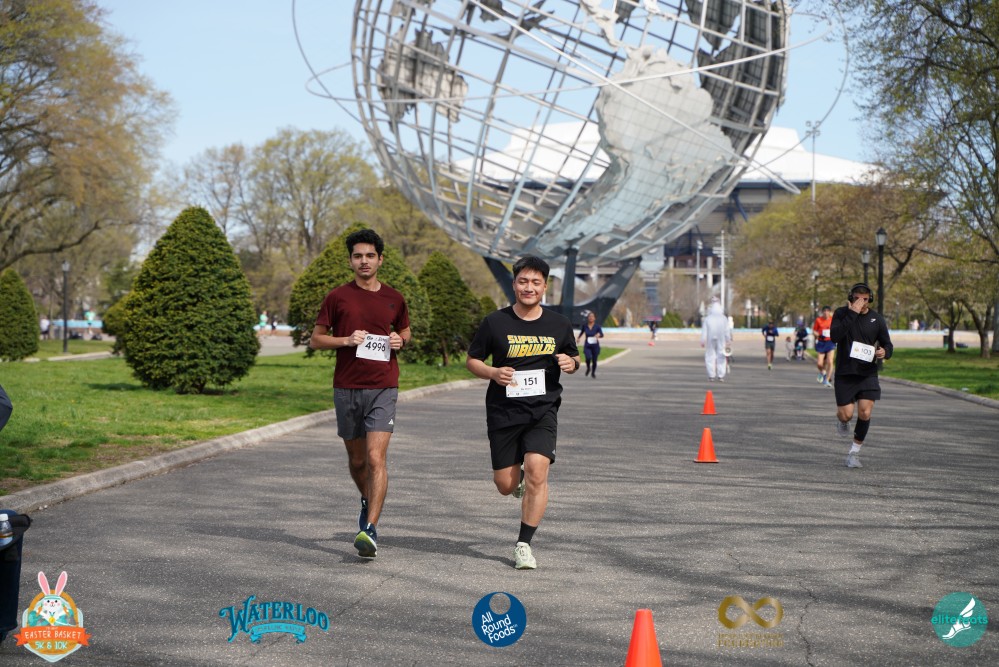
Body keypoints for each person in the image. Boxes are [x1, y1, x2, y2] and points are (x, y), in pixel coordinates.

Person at [466, 256, 579, 570]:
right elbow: (472, 360)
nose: (529, 287)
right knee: (505, 485)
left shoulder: (559, 324)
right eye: (523, 281)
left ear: (545, 286)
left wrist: (571, 363)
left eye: (536, 282)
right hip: (503, 411)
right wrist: (492, 373)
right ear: (514, 284)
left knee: (537, 470)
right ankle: (516, 481)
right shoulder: (495, 322)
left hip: (543, 410)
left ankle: (524, 544)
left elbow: (573, 357)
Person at [309, 229, 412, 558]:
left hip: (384, 386)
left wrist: (400, 340)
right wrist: (346, 340)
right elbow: (316, 339)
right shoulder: (337, 297)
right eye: (358, 256)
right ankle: (367, 499)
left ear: (380, 260)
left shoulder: (394, 297)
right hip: (347, 387)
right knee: (357, 461)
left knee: (375, 458)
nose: (364, 261)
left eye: (370, 255)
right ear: (350, 261)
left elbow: (405, 329)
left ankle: (370, 528)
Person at [830, 283, 893, 468]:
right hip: (845, 373)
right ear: (851, 298)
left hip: (867, 373)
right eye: (857, 298)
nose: (861, 302)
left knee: (865, 412)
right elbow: (835, 336)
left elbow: (888, 344)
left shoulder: (877, 319)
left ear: (870, 299)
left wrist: (885, 352)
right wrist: (852, 314)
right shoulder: (841, 313)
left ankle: (854, 453)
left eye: (865, 299)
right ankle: (842, 421)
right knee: (846, 415)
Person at [700, 298, 731, 382]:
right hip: (721, 339)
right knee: (721, 356)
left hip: (710, 339)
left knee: (710, 356)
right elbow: (727, 330)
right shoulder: (723, 318)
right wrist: (728, 339)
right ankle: (721, 375)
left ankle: (711, 375)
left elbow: (704, 331)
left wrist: (702, 340)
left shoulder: (708, 318)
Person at [812, 305, 835, 386]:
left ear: (830, 312)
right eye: (824, 311)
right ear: (822, 312)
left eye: (827, 311)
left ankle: (827, 379)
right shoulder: (818, 320)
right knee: (819, 364)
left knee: (830, 361)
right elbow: (814, 331)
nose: (826, 313)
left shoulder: (833, 320)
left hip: (830, 342)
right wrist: (818, 334)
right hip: (821, 342)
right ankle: (823, 372)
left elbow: (837, 329)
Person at [576, 311, 604, 378]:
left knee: (594, 360)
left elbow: (602, 334)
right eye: (589, 316)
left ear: (594, 318)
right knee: (588, 358)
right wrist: (578, 338)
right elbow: (582, 332)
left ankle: (593, 373)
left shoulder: (597, 326)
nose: (591, 318)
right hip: (587, 345)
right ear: (588, 318)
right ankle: (588, 368)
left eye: (592, 316)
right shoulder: (585, 326)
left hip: (595, 345)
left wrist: (599, 335)